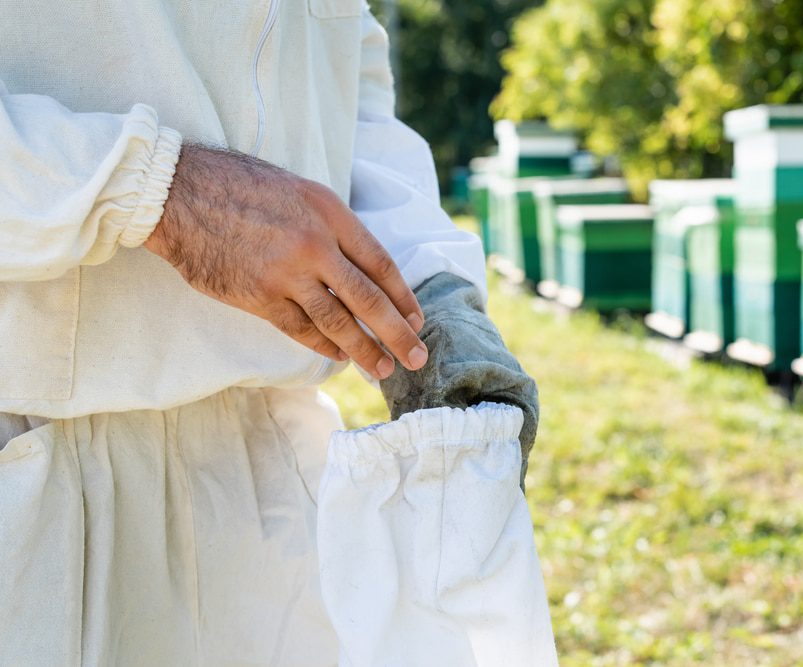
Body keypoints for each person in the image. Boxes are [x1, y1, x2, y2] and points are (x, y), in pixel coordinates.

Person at [0, 1, 539, 663]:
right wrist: (163, 194)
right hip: (34, 479)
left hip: (271, 481)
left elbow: (344, 85)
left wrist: (430, 291)